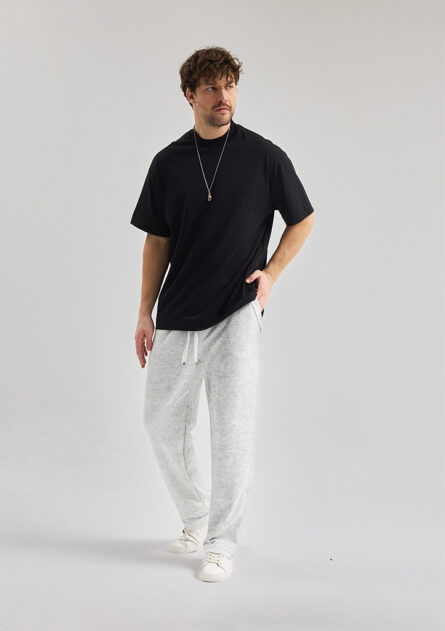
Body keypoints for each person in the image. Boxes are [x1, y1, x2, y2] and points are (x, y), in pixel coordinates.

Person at [130, 46, 315, 582]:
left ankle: (221, 541)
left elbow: (302, 219)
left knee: (231, 432)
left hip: (236, 311)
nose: (223, 97)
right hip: (178, 313)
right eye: (211, 87)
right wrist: (144, 312)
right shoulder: (167, 163)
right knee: (160, 421)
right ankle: (197, 516)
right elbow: (156, 242)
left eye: (230, 85)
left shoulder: (264, 157)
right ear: (190, 94)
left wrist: (271, 273)